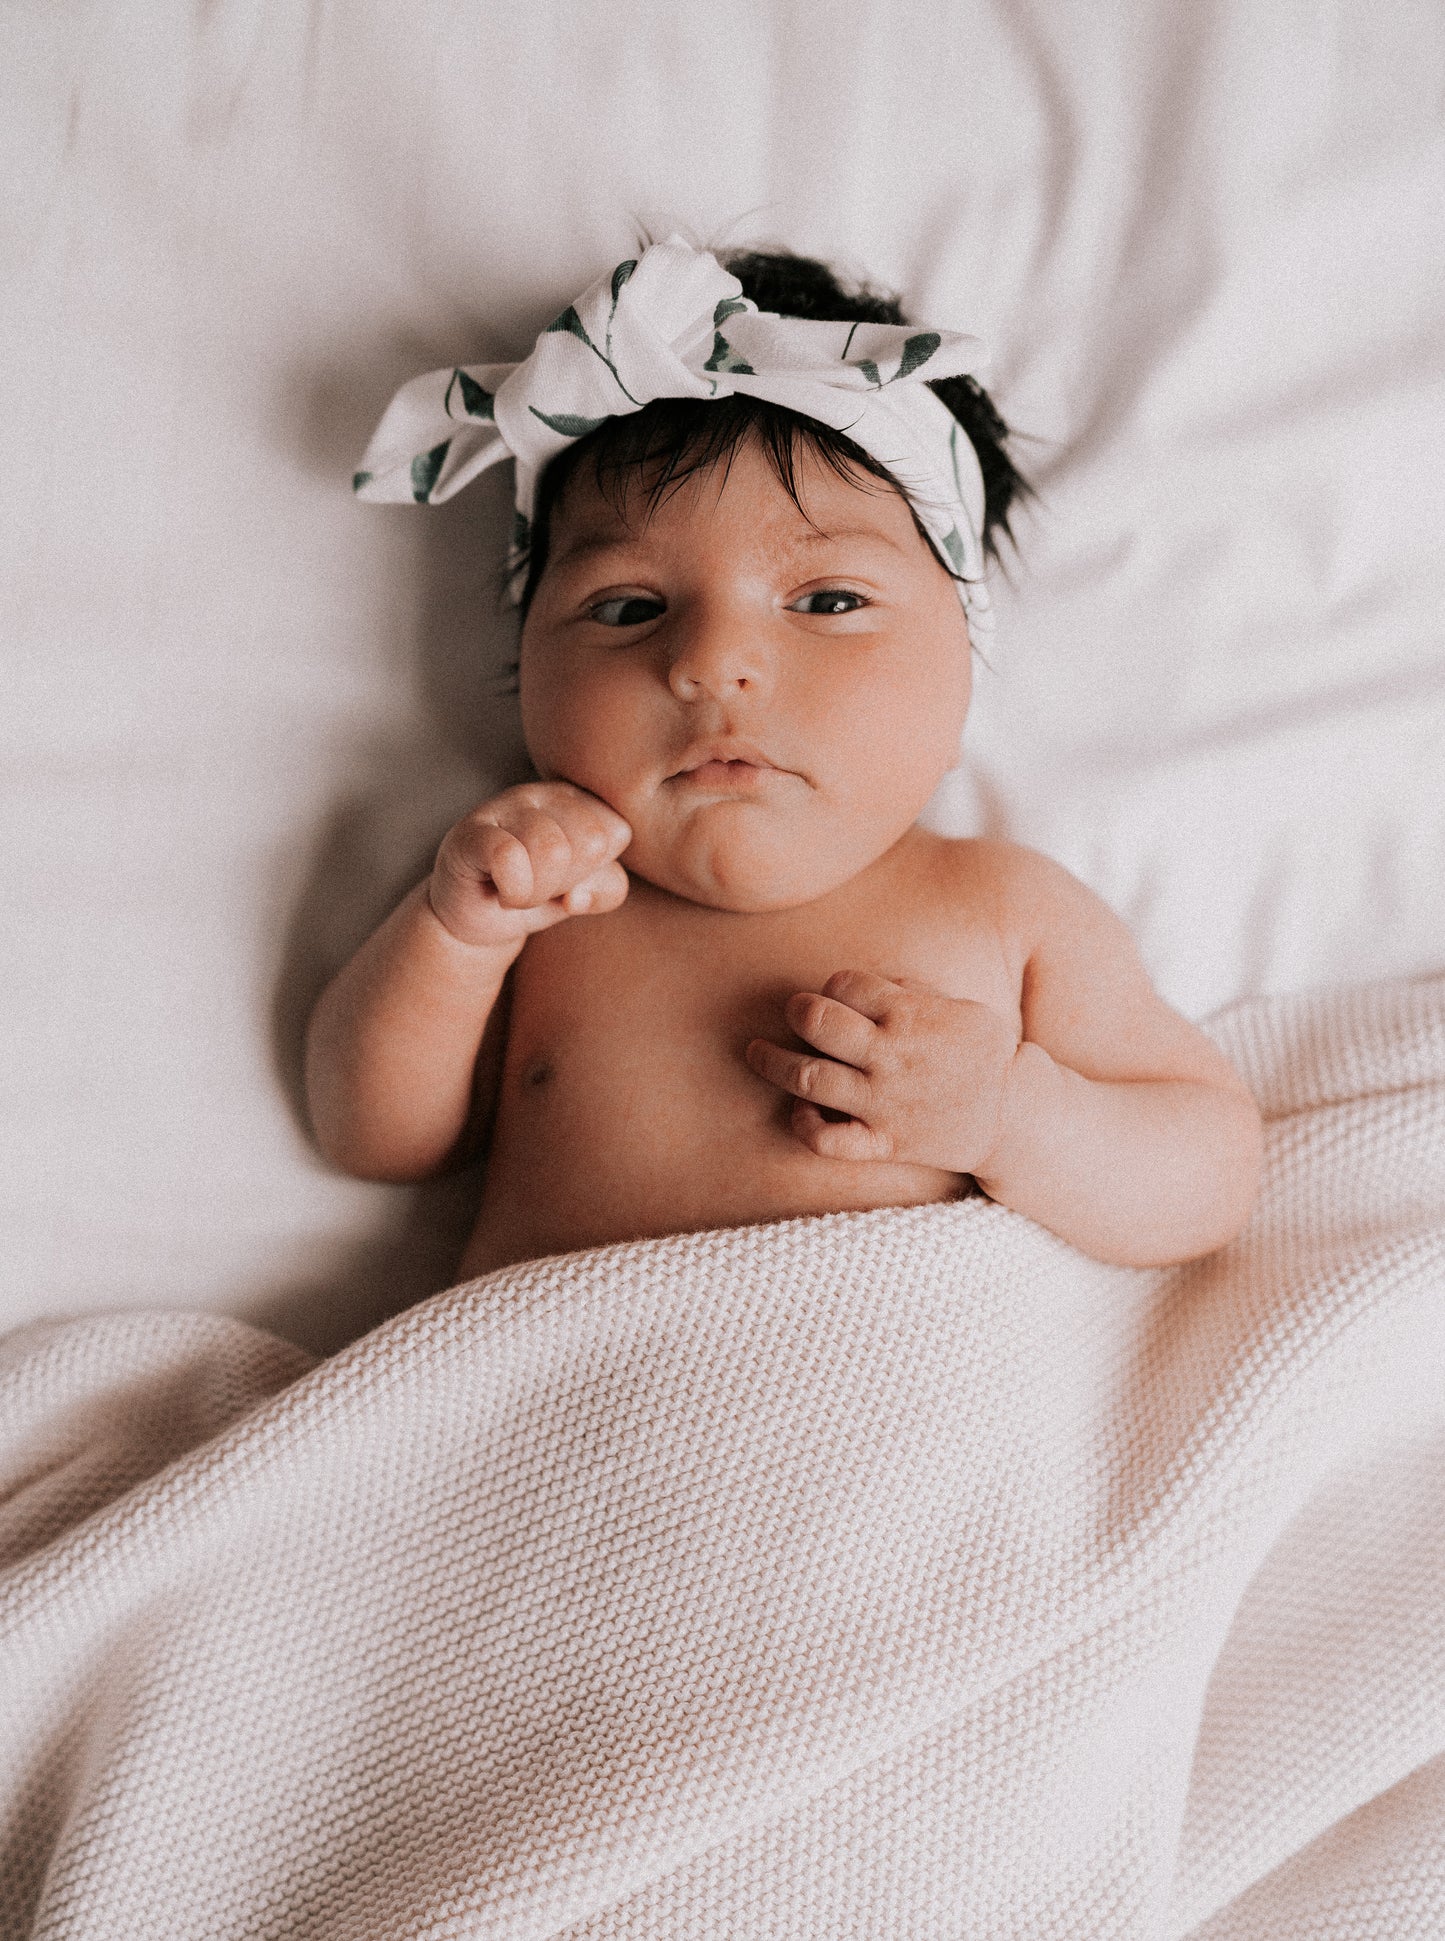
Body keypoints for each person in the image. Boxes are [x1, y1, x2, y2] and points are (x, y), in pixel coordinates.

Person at [307, 235, 1262, 1276]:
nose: (712, 664)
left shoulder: (1002, 907)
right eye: (628, 607)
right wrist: (452, 935)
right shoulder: (546, 908)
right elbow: (374, 1139)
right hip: (557, 1404)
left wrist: (1009, 1121)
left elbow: (1209, 1171)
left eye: (828, 600)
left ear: (966, 658)